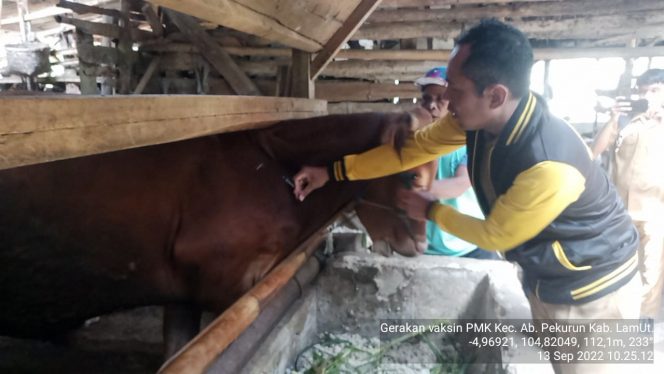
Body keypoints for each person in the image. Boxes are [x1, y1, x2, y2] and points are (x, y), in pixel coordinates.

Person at [293, 19, 641, 373]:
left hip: (596, 292)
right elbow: (412, 150)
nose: (444, 98)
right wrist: (334, 171)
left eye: (455, 88)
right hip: (550, 277)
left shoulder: (548, 164)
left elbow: (496, 235)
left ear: (495, 95)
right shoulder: (478, 121)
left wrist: (431, 210)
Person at [591, 69, 664, 320]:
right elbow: (595, 151)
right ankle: (613, 318)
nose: (647, 97)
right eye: (642, 92)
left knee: (651, 272)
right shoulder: (625, 123)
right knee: (618, 267)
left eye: (654, 91)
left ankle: (643, 322)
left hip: (656, 212)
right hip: (620, 212)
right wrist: (613, 119)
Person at [414, 66, 499, 260]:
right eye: (426, 99)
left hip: (468, 245)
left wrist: (413, 191)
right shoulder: (416, 141)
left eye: (440, 99)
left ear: (452, 101)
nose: (432, 106)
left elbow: (460, 184)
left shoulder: (470, 140)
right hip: (425, 248)